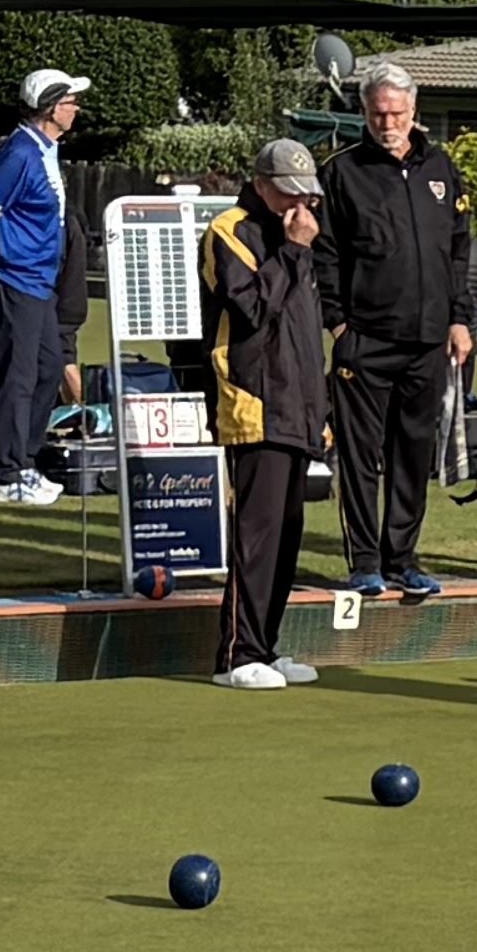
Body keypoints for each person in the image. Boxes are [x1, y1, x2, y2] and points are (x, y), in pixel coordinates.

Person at [160, 139, 331, 689]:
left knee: (285, 536)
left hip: (298, 405)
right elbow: (253, 308)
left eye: (306, 195)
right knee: (256, 537)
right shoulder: (229, 231)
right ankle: (236, 655)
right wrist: (294, 251)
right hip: (253, 400)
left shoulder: (296, 238)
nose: (300, 205)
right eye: (289, 193)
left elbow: (305, 331)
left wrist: (319, 407)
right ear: (261, 185)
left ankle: (266, 647)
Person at [315, 60, 477, 603]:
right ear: (364, 113)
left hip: (428, 339)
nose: (387, 123)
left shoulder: (441, 167)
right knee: (361, 455)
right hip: (364, 338)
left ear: (413, 111)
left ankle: (403, 559)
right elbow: (325, 254)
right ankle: (366, 562)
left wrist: (459, 317)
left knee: (413, 454)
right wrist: (338, 323)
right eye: (377, 114)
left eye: (395, 113)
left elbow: (458, 249)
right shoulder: (342, 171)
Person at [0, 69, 89, 505]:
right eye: (70, 102)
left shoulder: (46, 149)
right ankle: (4, 474)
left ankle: (25, 460)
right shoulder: (20, 153)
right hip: (15, 277)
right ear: (51, 107)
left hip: (40, 281)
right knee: (16, 378)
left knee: (48, 368)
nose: (76, 109)